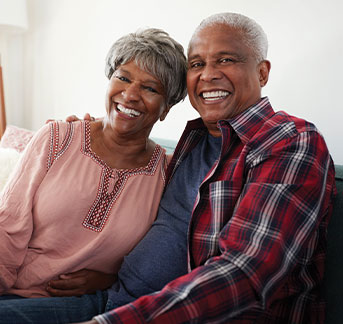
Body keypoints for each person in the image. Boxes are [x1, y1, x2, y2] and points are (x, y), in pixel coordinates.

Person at [0, 12, 336, 324]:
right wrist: (76, 136)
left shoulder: (287, 142)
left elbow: (246, 275)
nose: (208, 74)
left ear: (262, 72)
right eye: (197, 63)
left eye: (226, 60)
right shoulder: (194, 145)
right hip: (113, 300)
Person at [0, 28, 188, 321]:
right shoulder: (57, 138)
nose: (130, 95)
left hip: (88, 303)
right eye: (123, 78)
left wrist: (109, 280)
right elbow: (8, 228)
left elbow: (160, 263)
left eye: (150, 88)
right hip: (13, 290)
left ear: (167, 108)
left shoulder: (169, 174)